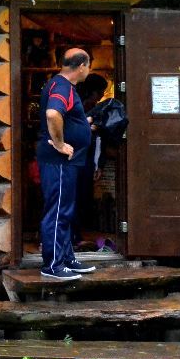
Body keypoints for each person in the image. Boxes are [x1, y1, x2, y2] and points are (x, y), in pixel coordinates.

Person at [35, 48, 96, 281]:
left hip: (64, 162)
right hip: (58, 160)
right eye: (88, 66)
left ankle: (66, 258)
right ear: (81, 66)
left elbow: (64, 116)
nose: (88, 70)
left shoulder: (61, 85)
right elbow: (52, 114)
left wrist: (84, 123)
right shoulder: (61, 87)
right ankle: (52, 265)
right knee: (58, 209)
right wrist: (60, 144)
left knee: (65, 209)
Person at [72, 72, 109, 251]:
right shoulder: (78, 106)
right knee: (75, 198)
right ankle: (73, 237)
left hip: (85, 160)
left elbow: (100, 140)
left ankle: (76, 236)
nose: (102, 96)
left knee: (81, 199)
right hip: (75, 159)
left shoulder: (93, 108)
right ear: (93, 91)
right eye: (101, 91)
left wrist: (98, 164)